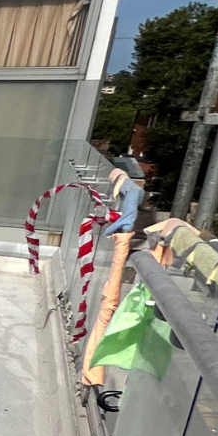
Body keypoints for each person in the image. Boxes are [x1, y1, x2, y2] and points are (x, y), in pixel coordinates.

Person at [82, 164, 145, 388]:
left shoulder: (131, 190)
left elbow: (136, 193)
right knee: (107, 311)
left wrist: (118, 230)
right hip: (121, 249)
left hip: (126, 248)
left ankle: (95, 373)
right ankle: (94, 372)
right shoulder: (130, 191)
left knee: (110, 313)